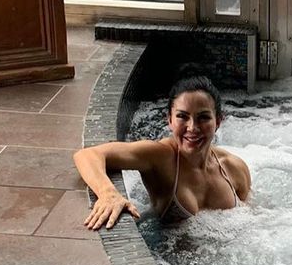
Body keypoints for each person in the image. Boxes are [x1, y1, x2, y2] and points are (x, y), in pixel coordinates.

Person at [74, 70, 251, 230]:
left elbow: (249, 222)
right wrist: (108, 193)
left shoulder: (234, 168)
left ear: (218, 121)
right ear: (170, 120)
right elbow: (87, 155)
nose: (192, 127)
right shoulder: (161, 157)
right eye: (182, 116)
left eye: (203, 117)